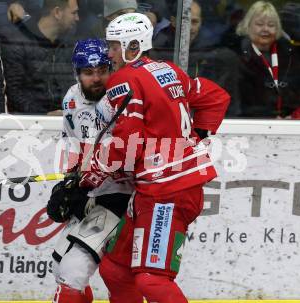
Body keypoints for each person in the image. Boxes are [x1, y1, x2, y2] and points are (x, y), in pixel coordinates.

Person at [79, 13, 230, 303]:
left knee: (152, 279)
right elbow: (215, 96)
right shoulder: (170, 71)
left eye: (113, 46)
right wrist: (195, 137)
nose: (109, 54)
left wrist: (95, 171)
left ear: (132, 46)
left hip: (167, 194)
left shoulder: (125, 79)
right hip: (157, 190)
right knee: (115, 269)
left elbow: (126, 141)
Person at [46, 39, 138, 303]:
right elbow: (73, 146)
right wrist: (70, 183)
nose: (97, 78)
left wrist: (92, 177)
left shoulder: (122, 98)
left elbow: (126, 153)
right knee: (58, 266)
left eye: (102, 70)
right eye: (89, 72)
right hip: (92, 193)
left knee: (73, 271)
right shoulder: (71, 100)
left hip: (122, 195)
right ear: (77, 74)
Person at [149, 0, 241, 117]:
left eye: (195, 22)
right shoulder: (156, 50)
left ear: (201, 22)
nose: (190, 28)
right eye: (185, 21)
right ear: (173, 21)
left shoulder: (211, 50)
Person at [2, 0, 79, 114]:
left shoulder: (66, 44)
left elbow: (72, 88)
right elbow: (15, 95)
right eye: (73, 13)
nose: (77, 18)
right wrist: (44, 115)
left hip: (65, 120)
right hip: (30, 124)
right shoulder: (18, 43)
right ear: (57, 12)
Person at [233, 1, 300, 118]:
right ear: (247, 26)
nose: (265, 29)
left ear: (278, 28)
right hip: (252, 123)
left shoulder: (291, 55)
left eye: (271, 25)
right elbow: (238, 104)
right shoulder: (238, 57)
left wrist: (292, 116)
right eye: (259, 24)